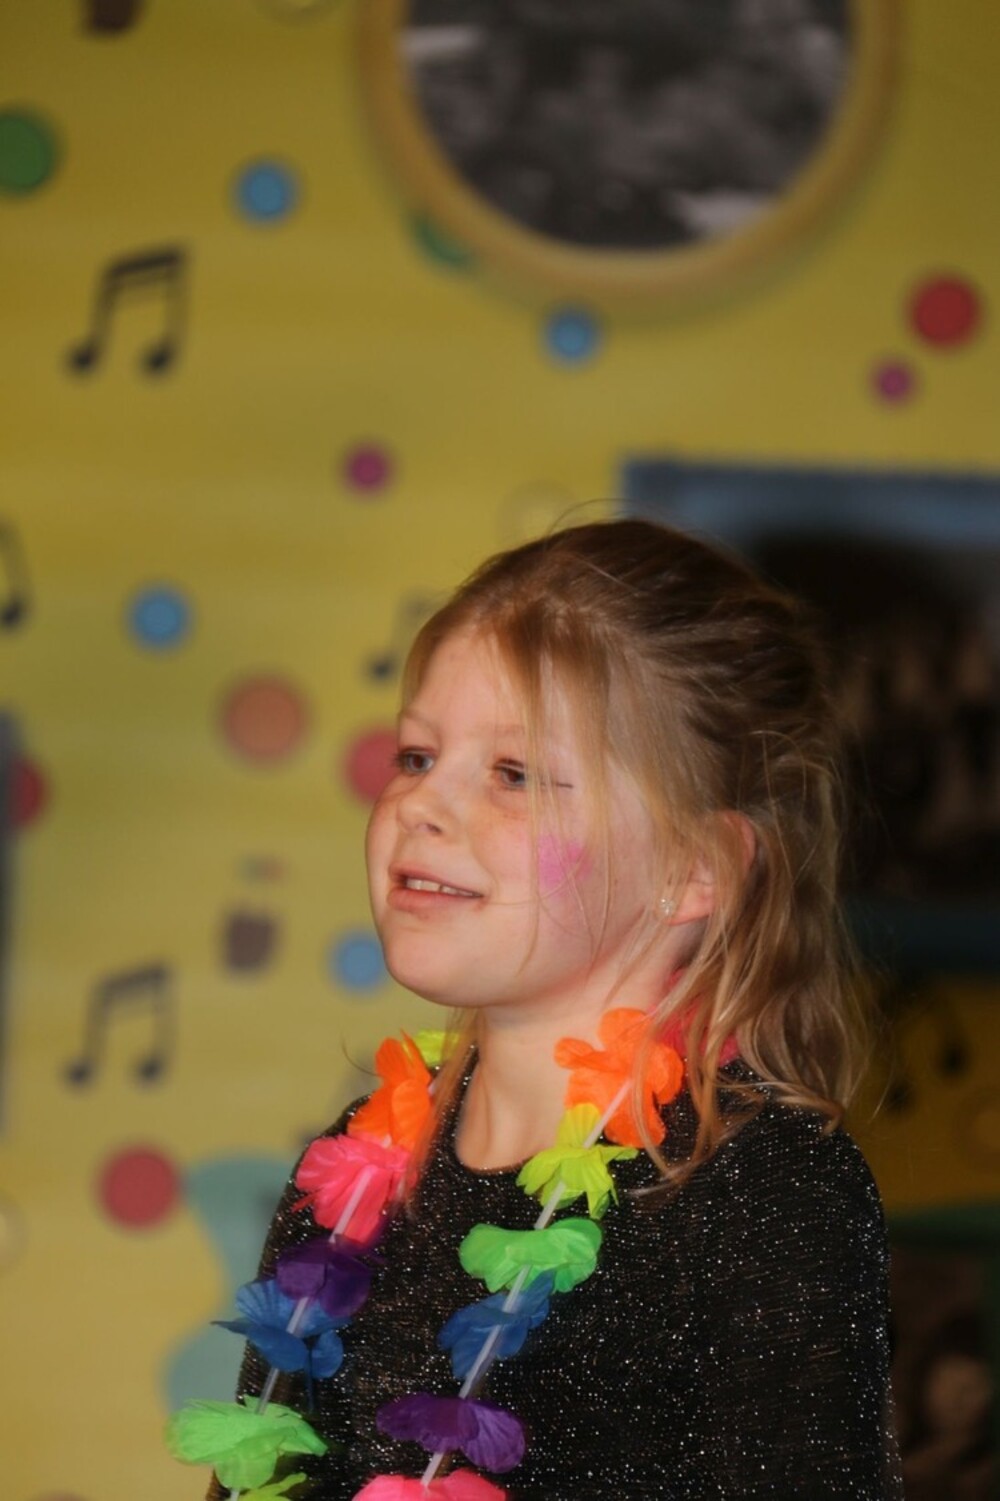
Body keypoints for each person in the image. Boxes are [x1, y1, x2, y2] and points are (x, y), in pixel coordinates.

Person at [176, 518, 902, 1499]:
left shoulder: (763, 1190)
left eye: (512, 774)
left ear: (693, 869)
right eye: (416, 756)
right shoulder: (354, 1177)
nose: (420, 806)